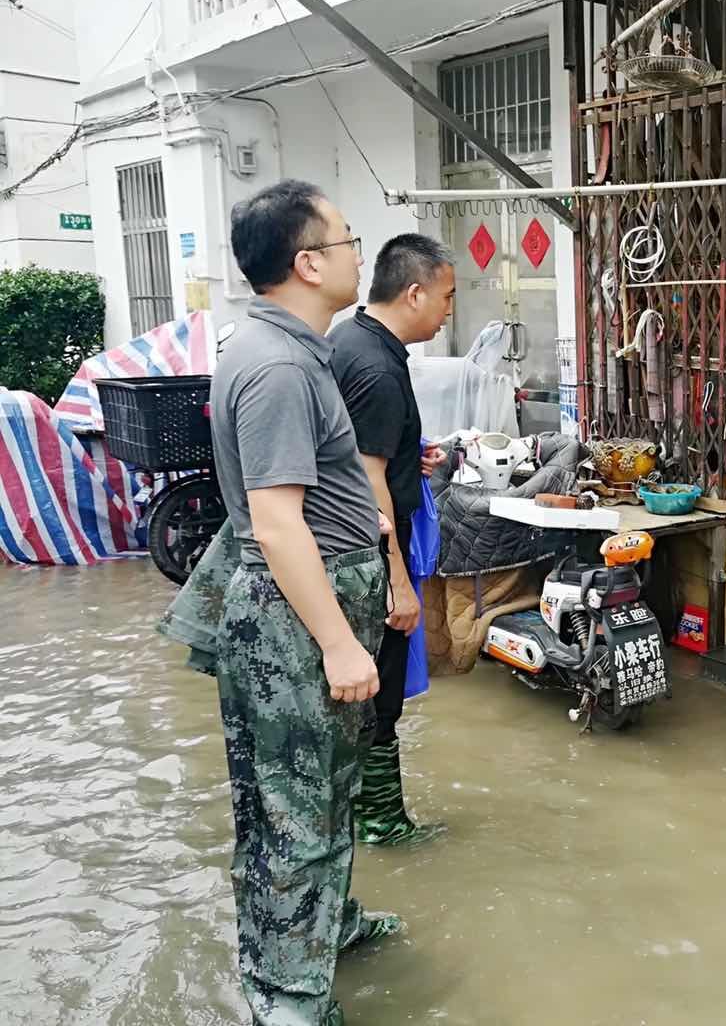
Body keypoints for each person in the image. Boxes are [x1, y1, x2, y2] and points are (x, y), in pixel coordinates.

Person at [211, 179, 399, 1025]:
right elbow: (278, 522)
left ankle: (325, 928)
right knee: (294, 810)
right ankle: (289, 997)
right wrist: (338, 642)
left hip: (308, 605)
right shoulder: (281, 363)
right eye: (349, 237)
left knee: (315, 792)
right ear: (308, 261)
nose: (361, 252)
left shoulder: (286, 347)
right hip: (298, 617)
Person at [330, 234, 454, 845]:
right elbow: (369, 476)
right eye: (447, 295)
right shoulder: (377, 366)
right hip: (372, 548)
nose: (449, 308)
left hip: (345, 543)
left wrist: (411, 456)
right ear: (414, 293)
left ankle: (359, 817)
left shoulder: (352, 340)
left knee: (362, 695)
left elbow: (364, 453)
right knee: (378, 699)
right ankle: (382, 823)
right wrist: (398, 581)